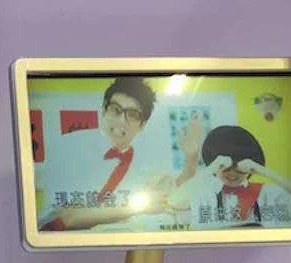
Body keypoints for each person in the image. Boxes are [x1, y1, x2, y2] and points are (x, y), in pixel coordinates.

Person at [37, 76, 203, 231]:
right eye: (115, 110)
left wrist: (192, 157)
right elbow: (69, 217)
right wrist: (137, 206)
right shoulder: (70, 145)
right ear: (104, 110)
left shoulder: (143, 162)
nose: (121, 121)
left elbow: (175, 193)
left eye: (132, 115)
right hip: (53, 240)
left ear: (142, 125)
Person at [168, 125, 291, 228]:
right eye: (225, 168)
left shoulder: (268, 193)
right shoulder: (203, 195)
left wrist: (262, 170)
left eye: (239, 168)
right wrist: (212, 167)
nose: (233, 174)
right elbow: (174, 202)